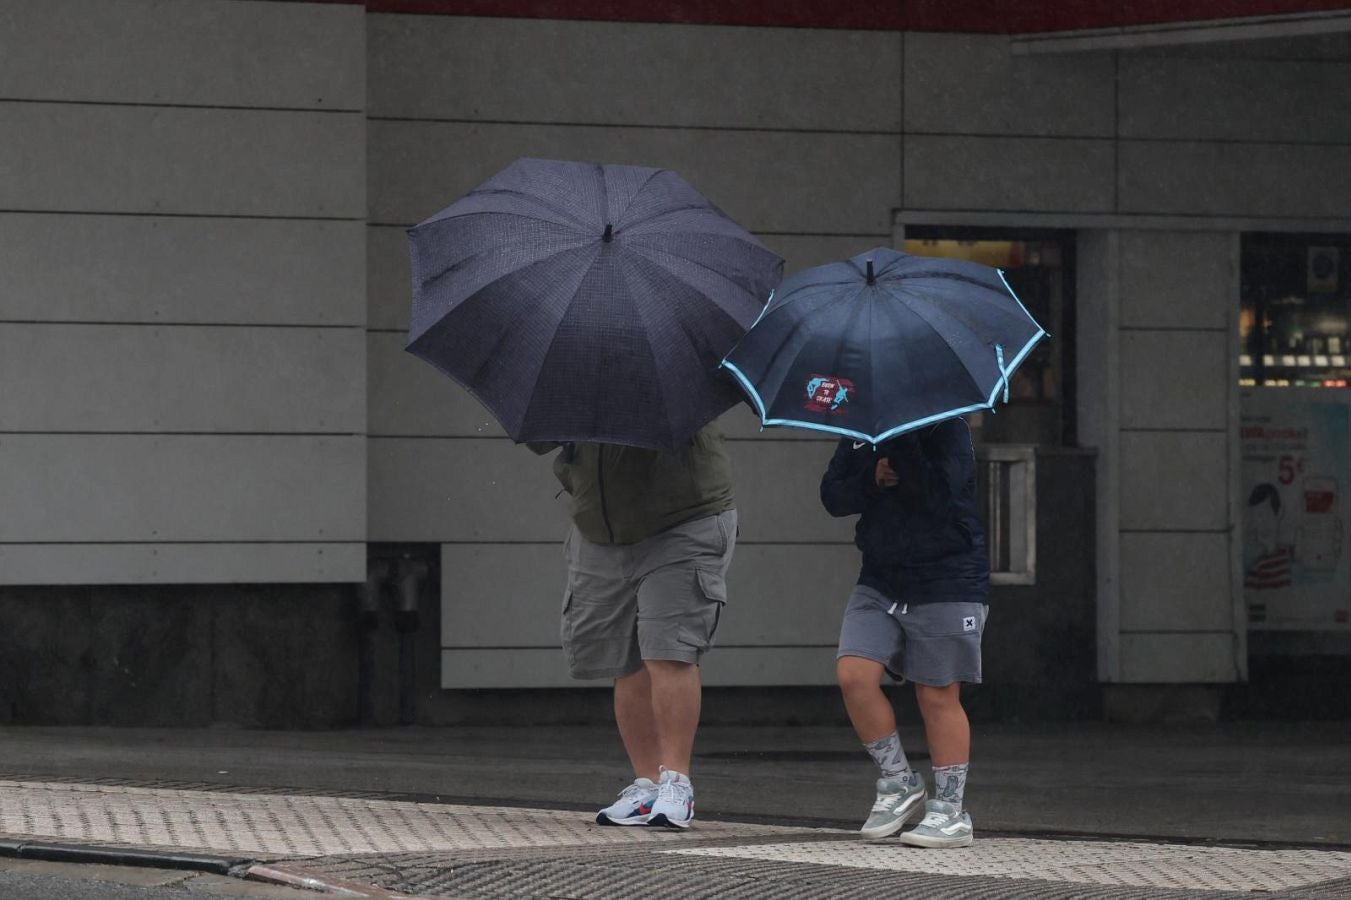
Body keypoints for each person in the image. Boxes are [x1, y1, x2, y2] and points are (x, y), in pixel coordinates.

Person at [528, 424, 736, 829]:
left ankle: (677, 782)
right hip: (601, 526)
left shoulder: (671, 367)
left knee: (668, 650)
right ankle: (647, 783)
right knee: (624, 658)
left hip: (683, 520)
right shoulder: (577, 374)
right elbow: (539, 436)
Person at [819, 417, 989, 847]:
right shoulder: (861, 428)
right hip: (881, 577)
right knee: (854, 674)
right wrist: (872, 477)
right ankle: (898, 782)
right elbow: (833, 495)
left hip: (945, 577)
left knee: (936, 693)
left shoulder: (947, 427)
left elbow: (940, 497)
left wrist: (904, 449)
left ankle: (951, 810)